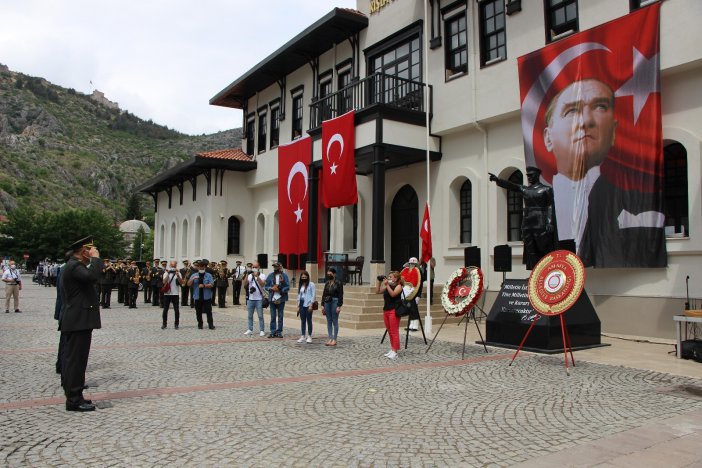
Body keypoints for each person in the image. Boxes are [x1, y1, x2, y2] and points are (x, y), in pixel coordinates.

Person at [542, 78, 665, 267]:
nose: (585, 121)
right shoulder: (540, 204)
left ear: (614, 132)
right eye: (572, 111)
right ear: (548, 138)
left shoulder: (636, 201)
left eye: (600, 107)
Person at [59, 236, 102, 412]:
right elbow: (92, 276)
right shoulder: (74, 266)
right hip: (78, 320)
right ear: (82, 252)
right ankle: (74, 400)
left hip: (79, 319)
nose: (90, 253)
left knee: (77, 360)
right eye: (88, 250)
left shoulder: (75, 266)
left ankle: (76, 395)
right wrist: (96, 258)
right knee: (75, 361)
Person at [489, 166, 558, 269]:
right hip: (527, 224)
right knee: (531, 250)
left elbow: (550, 206)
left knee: (543, 248)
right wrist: (498, 180)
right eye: (528, 176)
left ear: (537, 175)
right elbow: (512, 186)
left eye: (531, 175)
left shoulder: (546, 189)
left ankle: (547, 270)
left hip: (541, 222)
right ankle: (535, 273)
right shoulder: (525, 189)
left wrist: (549, 222)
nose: (529, 177)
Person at [376, 271, 404, 360]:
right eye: (388, 277)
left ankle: (395, 351)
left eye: (390, 277)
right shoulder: (389, 286)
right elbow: (377, 291)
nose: (389, 278)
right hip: (386, 310)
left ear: (395, 278)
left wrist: (387, 285)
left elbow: (393, 294)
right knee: (389, 331)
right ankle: (392, 349)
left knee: (394, 331)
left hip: (394, 311)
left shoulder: (399, 286)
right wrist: (379, 282)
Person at [265, 262, 290, 338]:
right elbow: (266, 286)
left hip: (281, 298)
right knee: (273, 316)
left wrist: (281, 290)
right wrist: (271, 288)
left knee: (280, 316)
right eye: (274, 267)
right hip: (272, 298)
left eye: (276, 267)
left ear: (280, 267)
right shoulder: (270, 276)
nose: (275, 268)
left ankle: (279, 331)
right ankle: (272, 331)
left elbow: (288, 286)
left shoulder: (284, 276)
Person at [188, 259, 215, 329]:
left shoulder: (208, 275)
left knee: (209, 311)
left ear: (204, 267)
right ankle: (200, 324)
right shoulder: (194, 275)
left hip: (206, 297)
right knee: (198, 312)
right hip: (197, 296)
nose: (200, 268)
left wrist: (204, 285)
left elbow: (212, 284)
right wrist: (192, 279)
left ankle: (210, 324)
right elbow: (188, 284)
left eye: (202, 266)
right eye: (199, 266)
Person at [320, 267, 343, 346]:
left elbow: (341, 295)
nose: (329, 275)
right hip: (327, 302)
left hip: (335, 301)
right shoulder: (327, 283)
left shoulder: (338, 283)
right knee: (329, 320)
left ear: (334, 274)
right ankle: (330, 338)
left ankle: (334, 339)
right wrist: (322, 305)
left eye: (330, 274)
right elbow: (324, 294)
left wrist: (339, 306)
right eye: (328, 274)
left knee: (334, 320)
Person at [243, 261, 267, 337]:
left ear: (259, 267)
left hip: (259, 299)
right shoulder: (250, 276)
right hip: (251, 298)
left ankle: (262, 330)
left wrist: (257, 277)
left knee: (260, 316)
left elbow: (263, 284)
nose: (254, 268)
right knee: (250, 315)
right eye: (253, 267)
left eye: (255, 267)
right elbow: (245, 284)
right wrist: (247, 274)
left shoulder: (262, 275)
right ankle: (250, 329)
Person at [401, 257, 422, 331]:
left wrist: (418, 296)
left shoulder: (418, 271)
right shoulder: (407, 270)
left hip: (415, 293)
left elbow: (419, 285)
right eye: (410, 263)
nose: (411, 265)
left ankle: (415, 325)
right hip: (407, 292)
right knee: (409, 309)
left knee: (414, 309)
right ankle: (410, 325)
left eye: (413, 264)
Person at [161, 260, 183, 329]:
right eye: (172, 265)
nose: (173, 267)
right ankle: (164, 323)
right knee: (165, 309)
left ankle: (176, 324)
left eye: (174, 265)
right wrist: (168, 274)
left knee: (176, 310)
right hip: (167, 294)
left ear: (176, 265)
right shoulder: (166, 273)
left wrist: (178, 276)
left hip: (175, 293)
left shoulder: (178, 273)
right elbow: (164, 282)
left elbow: (181, 282)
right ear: (170, 265)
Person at [296, 270, 316, 344]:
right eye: (302, 277)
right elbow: (299, 295)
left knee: (309, 320)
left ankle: (309, 336)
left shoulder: (311, 284)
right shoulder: (301, 285)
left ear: (307, 277)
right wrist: (298, 305)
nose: (304, 278)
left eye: (305, 277)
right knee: (303, 320)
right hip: (301, 303)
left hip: (308, 304)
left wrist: (311, 304)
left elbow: (313, 295)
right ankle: (303, 335)